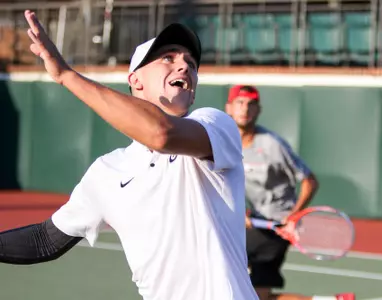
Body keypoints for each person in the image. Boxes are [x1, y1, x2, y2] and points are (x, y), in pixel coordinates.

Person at [0, 10, 259, 300]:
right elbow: (45, 240)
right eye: (168, 58)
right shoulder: (107, 170)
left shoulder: (215, 124)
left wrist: (66, 76)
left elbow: (160, 134)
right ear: (136, 80)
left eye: (190, 63)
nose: (184, 67)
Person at [225, 85, 355, 300]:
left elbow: (310, 181)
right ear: (228, 108)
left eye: (251, 104)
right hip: (257, 222)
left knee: (233, 272)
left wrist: (294, 215)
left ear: (259, 110)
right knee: (257, 293)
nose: (245, 109)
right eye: (239, 103)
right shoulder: (228, 142)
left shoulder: (272, 145)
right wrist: (241, 210)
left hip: (277, 226)